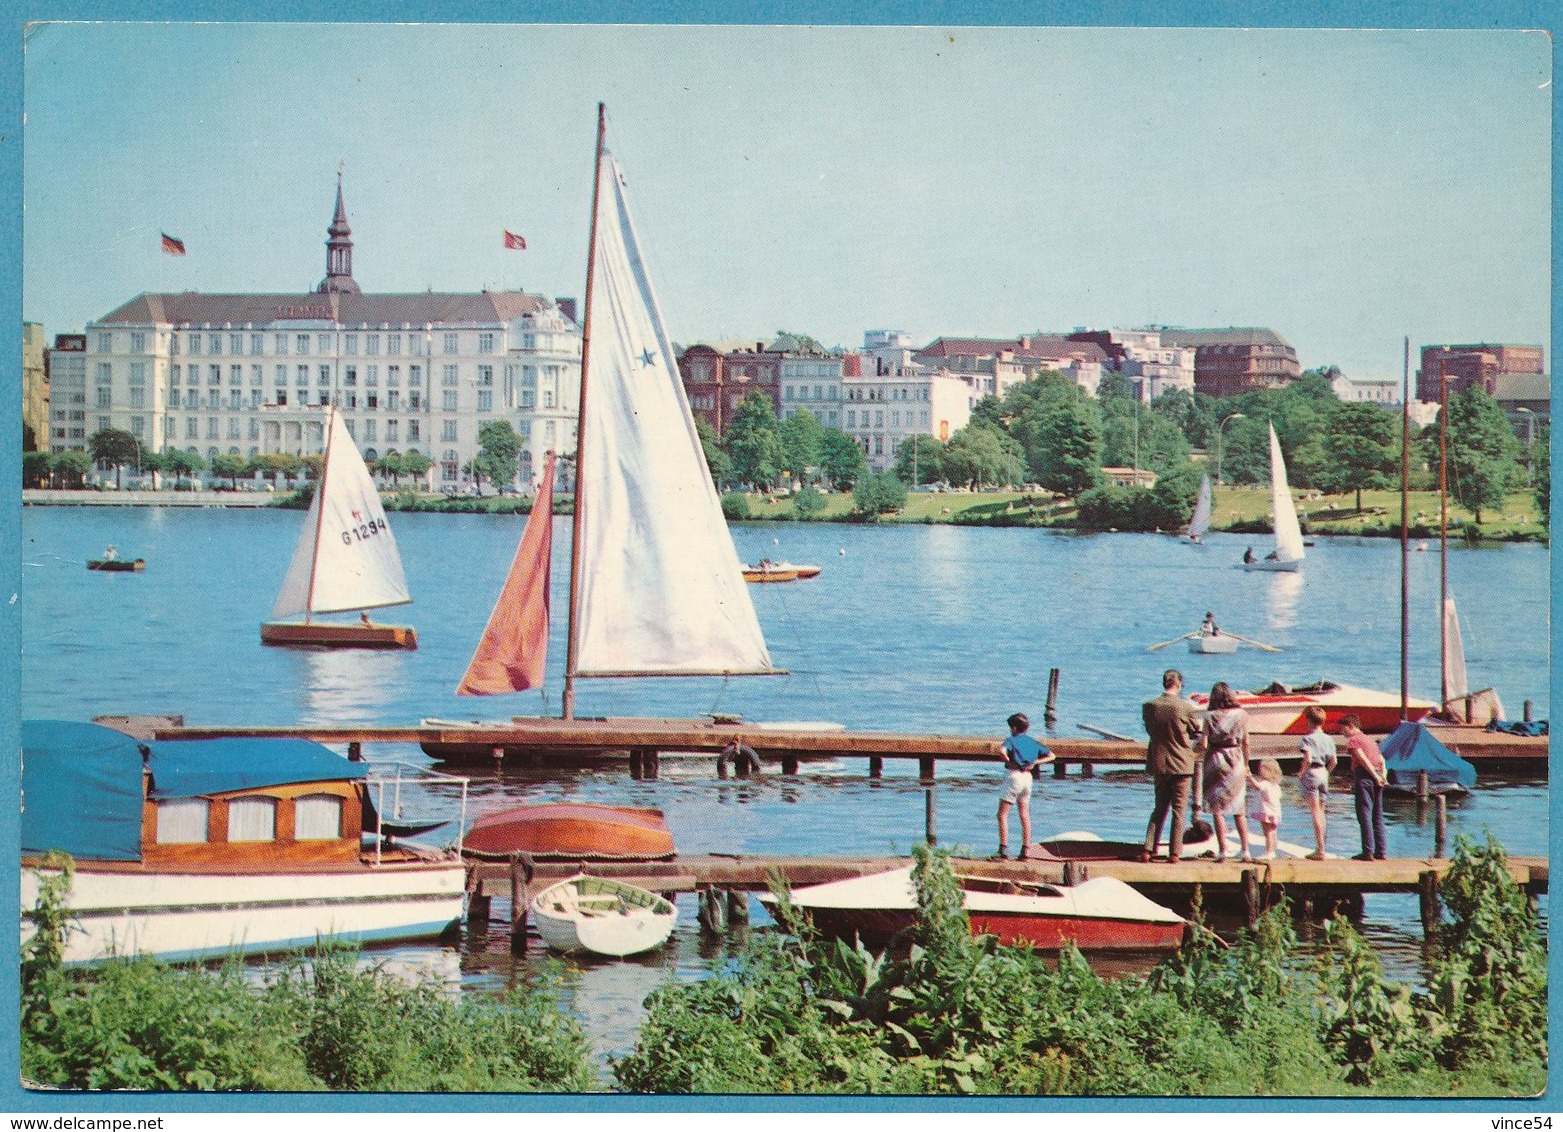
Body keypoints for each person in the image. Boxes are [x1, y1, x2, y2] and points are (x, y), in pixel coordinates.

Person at [1141, 669, 1202, 862]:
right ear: (1178, 684)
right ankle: (1175, 852)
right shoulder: (1185, 707)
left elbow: (1150, 730)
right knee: (1179, 810)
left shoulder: (1149, 706)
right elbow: (1195, 731)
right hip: (1181, 762)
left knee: (1159, 808)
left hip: (1159, 761)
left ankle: (1148, 848)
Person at [1200, 682, 1252, 862]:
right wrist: (1247, 765)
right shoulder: (1242, 715)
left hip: (1215, 759)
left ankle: (1223, 850)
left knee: (1217, 808)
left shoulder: (1209, 716)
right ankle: (1245, 850)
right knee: (1239, 807)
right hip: (1236, 758)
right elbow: (1246, 743)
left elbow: (1204, 744)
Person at [995, 712, 1052, 860]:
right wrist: (1035, 762)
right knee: (1024, 814)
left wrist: (1008, 760)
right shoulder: (1032, 742)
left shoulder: (1011, 740)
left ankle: (1003, 850)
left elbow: (1001, 750)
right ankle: (1025, 850)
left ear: (1014, 728)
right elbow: (1052, 755)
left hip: (1013, 776)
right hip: (1028, 778)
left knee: (1002, 814)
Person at [1341, 713, 1389, 860]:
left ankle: (1367, 851)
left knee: (1364, 815)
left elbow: (1362, 759)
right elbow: (1381, 760)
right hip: (1379, 778)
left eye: (1343, 729)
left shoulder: (1354, 740)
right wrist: (1382, 776)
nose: (1342, 733)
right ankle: (1381, 851)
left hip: (1365, 777)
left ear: (1350, 726)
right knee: (1377, 815)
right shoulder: (1369, 740)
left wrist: (1374, 775)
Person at [1296, 705, 1336, 860]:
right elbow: (1334, 761)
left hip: (1312, 772)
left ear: (1308, 721)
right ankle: (1323, 846)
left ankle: (1320, 849)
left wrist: (1301, 772)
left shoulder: (1307, 738)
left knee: (1315, 812)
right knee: (1322, 810)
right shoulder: (1329, 739)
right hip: (1323, 773)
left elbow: (1308, 759)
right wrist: (1327, 771)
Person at [1246, 758, 1284, 859]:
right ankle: (1273, 850)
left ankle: (1269, 852)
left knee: (1268, 833)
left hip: (1266, 811)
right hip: (1275, 812)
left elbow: (1257, 786)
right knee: (1273, 832)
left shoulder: (1265, 784)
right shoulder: (1276, 786)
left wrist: (1249, 778)